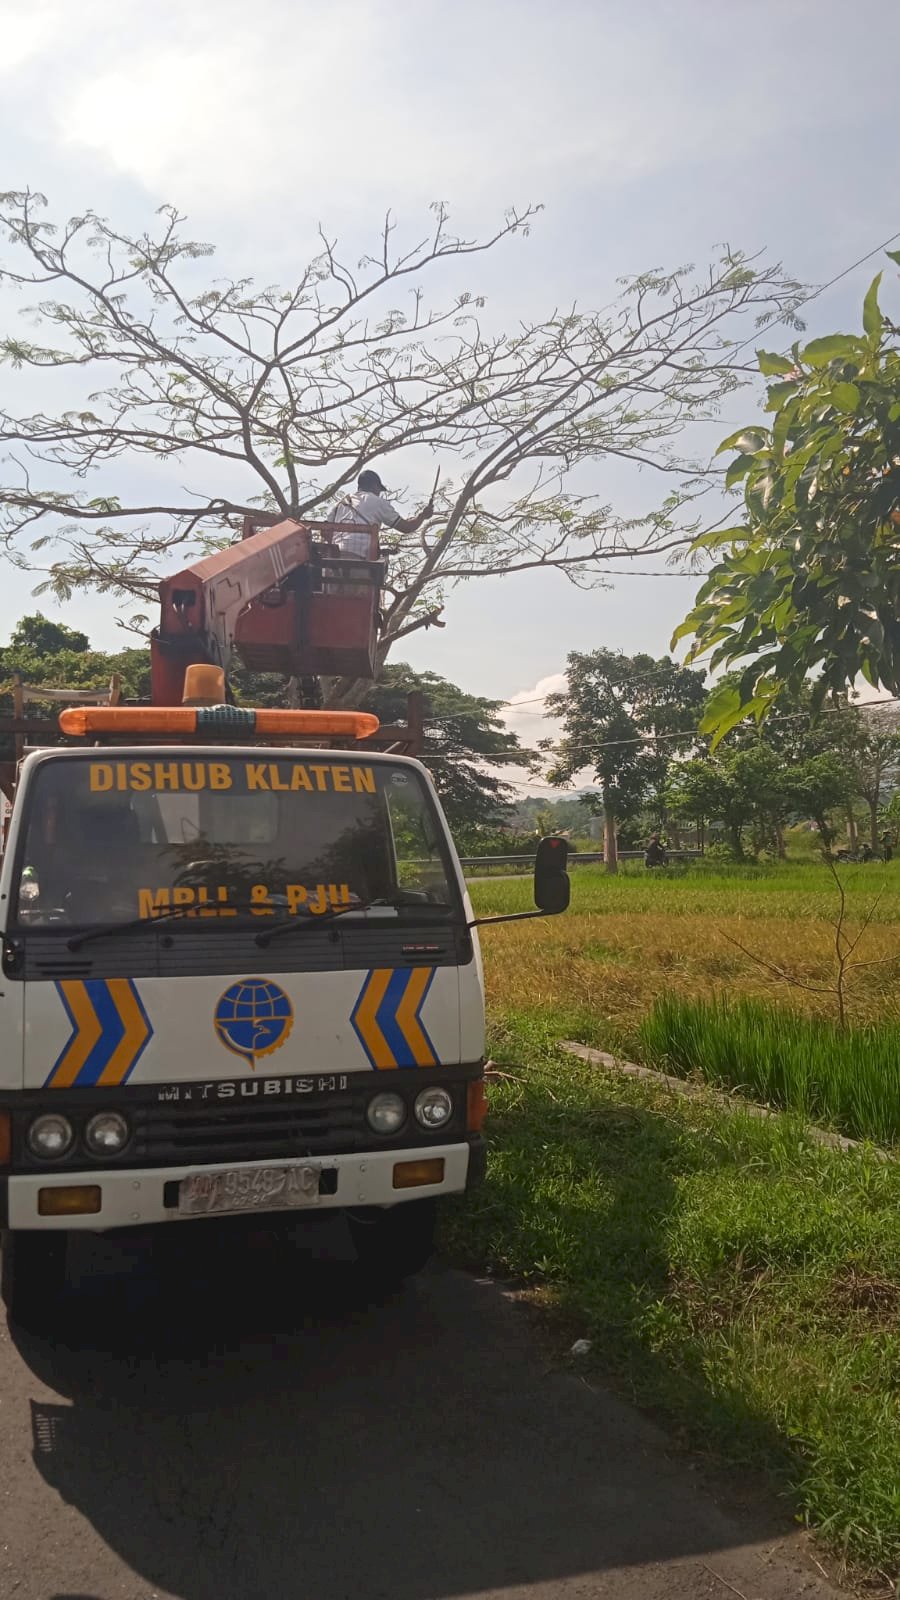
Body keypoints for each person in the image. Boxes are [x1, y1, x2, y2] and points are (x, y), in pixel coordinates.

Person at [327, 469, 434, 556]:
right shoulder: (377, 502)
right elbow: (406, 527)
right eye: (379, 490)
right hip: (360, 560)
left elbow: (326, 532)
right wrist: (423, 516)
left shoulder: (340, 504)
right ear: (375, 486)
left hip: (334, 559)